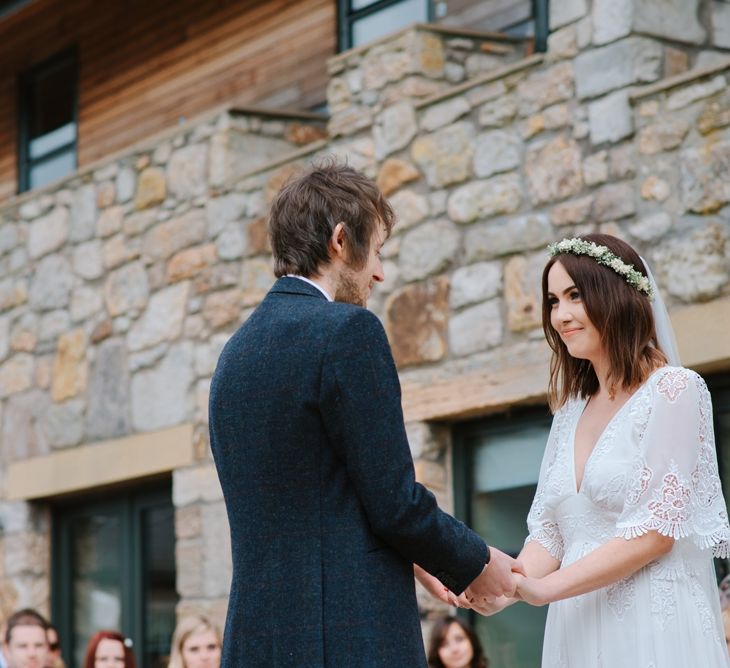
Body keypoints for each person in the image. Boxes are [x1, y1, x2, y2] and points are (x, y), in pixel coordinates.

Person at [208, 160, 519, 666]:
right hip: (349, 640)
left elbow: (316, 499)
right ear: (339, 241)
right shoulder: (348, 331)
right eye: (375, 252)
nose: (379, 272)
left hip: (257, 641)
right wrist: (478, 562)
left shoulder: (234, 355)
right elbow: (395, 503)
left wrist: (420, 560)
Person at [479, 234, 730, 666]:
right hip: (576, 628)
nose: (561, 315)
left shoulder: (674, 390)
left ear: (615, 295)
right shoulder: (570, 412)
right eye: (554, 301)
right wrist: (505, 589)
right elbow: (551, 533)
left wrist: (546, 590)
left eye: (575, 295)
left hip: (650, 623)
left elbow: (654, 534)